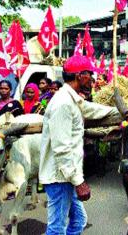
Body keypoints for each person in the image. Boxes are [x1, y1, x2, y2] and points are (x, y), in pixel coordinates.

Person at [39, 55, 118, 235]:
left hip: (68, 175)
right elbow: (62, 149)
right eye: (90, 75)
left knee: (79, 220)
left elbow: (93, 110)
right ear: (80, 75)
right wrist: (79, 182)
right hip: (60, 177)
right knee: (56, 228)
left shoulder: (72, 99)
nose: (92, 80)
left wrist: (125, 112)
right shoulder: (63, 104)